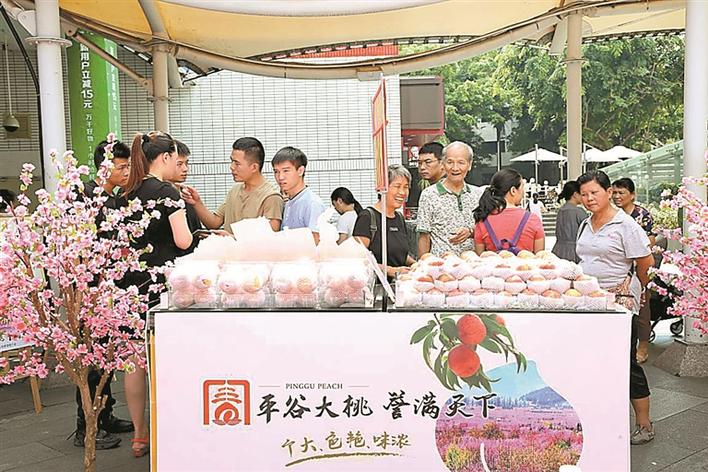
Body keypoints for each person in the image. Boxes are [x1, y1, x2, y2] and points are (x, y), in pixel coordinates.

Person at [122, 131, 193, 458]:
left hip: (127, 286)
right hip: (160, 287)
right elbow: (183, 241)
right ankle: (170, 431)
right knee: (165, 359)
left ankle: (139, 435)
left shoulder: (126, 191)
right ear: (164, 158)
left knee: (134, 361)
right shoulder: (167, 192)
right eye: (176, 159)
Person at [575, 170, 655, 445]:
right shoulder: (585, 223)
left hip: (619, 302)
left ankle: (644, 424)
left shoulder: (625, 225)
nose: (589, 198)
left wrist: (641, 291)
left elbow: (645, 262)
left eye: (594, 192)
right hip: (590, 301)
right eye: (584, 194)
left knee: (625, 362)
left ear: (608, 192)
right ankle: (600, 419)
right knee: (594, 360)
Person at [72, 140, 133, 451]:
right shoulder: (84, 195)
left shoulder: (115, 199)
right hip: (89, 290)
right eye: (121, 167)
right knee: (90, 360)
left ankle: (105, 414)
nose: (126, 172)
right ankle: (86, 426)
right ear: (104, 167)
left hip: (110, 289)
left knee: (107, 357)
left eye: (128, 166)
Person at [182, 137, 284, 234]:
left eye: (237, 163)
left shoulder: (271, 197)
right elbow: (214, 223)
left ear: (254, 167)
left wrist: (233, 238)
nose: (232, 167)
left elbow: (270, 237)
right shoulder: (234, 191)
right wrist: (197, 203)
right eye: (232, 161)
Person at [613, 177, 657, 364]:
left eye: (621, 192)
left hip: (638, 268)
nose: (617, 196)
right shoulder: (612, 214)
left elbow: (651, 239)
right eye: (614, 192)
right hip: (618, 270)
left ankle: (643, 347)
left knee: (642, 308)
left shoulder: (642, 214)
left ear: (632, 195)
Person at [417, 141, 483, 257]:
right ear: (443, 164)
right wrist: (423, 263)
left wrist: (470, 232)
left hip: (472, 264)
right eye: (450, 162)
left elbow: (486, 230)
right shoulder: (428, 195)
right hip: (441, 264)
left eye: (461, 162)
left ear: (469, 165)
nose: (455, 168)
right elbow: (424, 235)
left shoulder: (478, 194)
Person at [353, 165, 415, 278]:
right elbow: (357, 258)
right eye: (397, 186)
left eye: (406, 187)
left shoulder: (399, 218)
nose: (402, 192)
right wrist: (389, 270)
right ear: (383, 189)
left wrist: (416, 264)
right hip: (376, 286)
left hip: (400, 284)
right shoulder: (367, 217)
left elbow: (399, 254)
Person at [473, 168, 545, 254]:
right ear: (513, 191)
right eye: (522, 187)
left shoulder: (482, 221)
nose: (523, 192)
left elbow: (480, 257)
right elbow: (540, 256)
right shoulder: (533, 219)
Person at [272, 146, 325, 243]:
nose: (280, 177)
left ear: (300, 171)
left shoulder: (312, 203)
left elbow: (316, 242)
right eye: (276, 171)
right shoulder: (289, 202)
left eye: (286, 171)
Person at [168, 140, 202, 254]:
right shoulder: (163, 197)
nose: (185, 168)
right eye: (179, 164)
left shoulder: (187, 194)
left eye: (186, 163)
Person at [552, 181, 588, 263]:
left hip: (558, 250)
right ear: (575, 194)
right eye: (582, 194)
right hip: (574, 251)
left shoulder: (561, 210)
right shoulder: (578, 211)